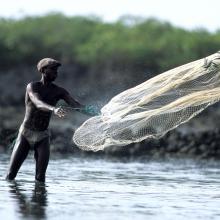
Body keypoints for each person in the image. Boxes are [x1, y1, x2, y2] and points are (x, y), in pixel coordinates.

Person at [6, 58, 98, 182]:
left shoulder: (59, 91)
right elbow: (38, 103)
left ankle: (39, 201)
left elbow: (76, 105)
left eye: (57, 70)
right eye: (53, 69)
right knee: (11, 175)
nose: (56, 72)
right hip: (26, 134)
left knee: (40, 178)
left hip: (43, 136)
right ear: (43, 70)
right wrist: (54, 109)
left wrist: (98, 114)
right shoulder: (32, 87)